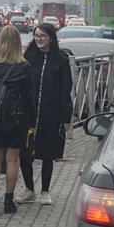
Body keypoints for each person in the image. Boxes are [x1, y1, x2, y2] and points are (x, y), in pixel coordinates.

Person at [0, 25, 34, 214]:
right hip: (17, 118)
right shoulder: (24, 67)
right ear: (18, 43)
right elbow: (30, 96)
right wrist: (32, 122)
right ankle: (8, 201)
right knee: (12, 159)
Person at [19, 22, 73, 206]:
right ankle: (29, 189)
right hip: (29, 115)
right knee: (25, 153)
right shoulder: (29, 57)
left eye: (42, 36)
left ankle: (45, 190)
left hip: (52, 114)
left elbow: (66, 88)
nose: (39, 39)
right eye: (36, 36)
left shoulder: (61, 59)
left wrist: (66, 116)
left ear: (51, 38)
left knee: (48, 154)